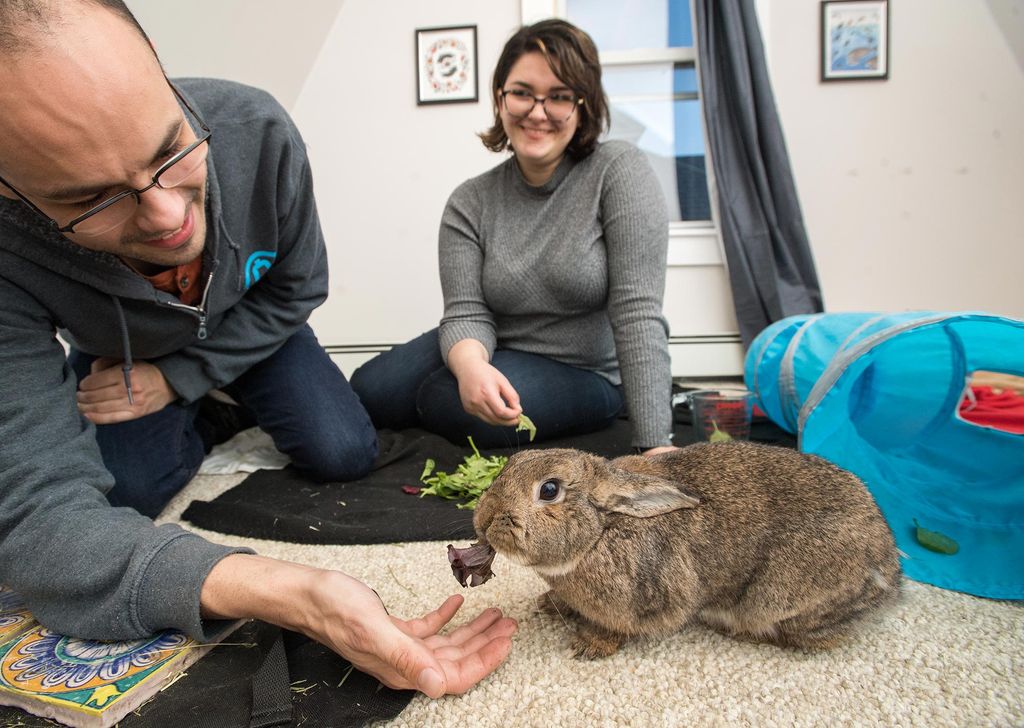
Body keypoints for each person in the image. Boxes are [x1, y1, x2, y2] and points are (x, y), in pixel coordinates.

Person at [0, 0, 516, 698]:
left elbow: (300, 287)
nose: (169, 219)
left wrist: (179, 378)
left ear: (162, 72)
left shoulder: (260, 129)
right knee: (127, 496)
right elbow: (41, 525)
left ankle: (212, 400)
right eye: (93, 199)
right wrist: (287, 590)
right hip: (124, 361)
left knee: (344, 452)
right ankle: (214, 415)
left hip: (257, 331)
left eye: (169, 151)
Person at [351, 19, 677, 455]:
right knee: (370, 389)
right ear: (501, 99)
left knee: (445, 400)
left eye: (558, 97)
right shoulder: (470, 201)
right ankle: (455, 385)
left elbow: (637, 311)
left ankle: (450, 399)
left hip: (587, 371)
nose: (537, 112)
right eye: (522, 92)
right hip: (496, 342)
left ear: (583, 105)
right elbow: (466, 311)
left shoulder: (617, 170)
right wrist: (469, 367)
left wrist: (656, 444)